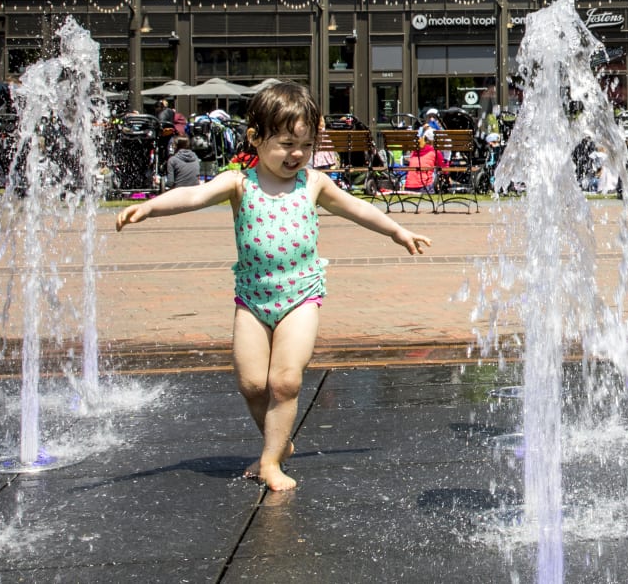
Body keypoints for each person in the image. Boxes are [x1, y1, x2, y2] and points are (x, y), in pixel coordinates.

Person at [116, 82, 431, 491]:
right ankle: (279, 440)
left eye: (304, 144)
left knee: (284, 381)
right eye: (285, 144)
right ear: (255, 139)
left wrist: (396, 231)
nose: (296, 154)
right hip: (252, 298)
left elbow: (357, 208)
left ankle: (269, 462)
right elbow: (192, 195)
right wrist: (149, 207)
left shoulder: (313, 183)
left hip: (301, 294)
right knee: (251, 384)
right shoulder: (238, 184)